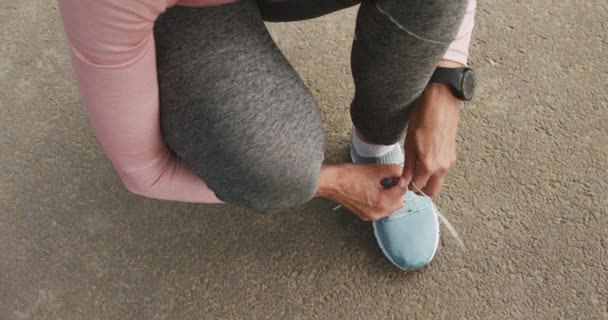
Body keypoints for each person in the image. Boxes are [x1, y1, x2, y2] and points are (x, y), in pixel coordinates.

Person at [58, 0, 476, 271]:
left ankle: (374, 143)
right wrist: (326, 182)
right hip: (180, 11)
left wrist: (445, 79)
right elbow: (144, 169)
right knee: (275, 167)